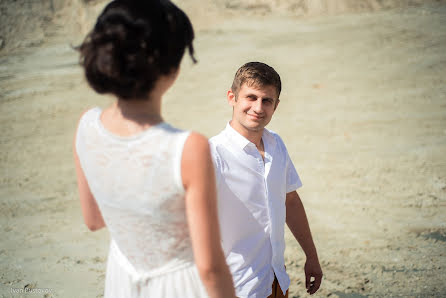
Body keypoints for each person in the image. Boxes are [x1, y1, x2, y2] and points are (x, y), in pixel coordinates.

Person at [73, 1, 235, 297]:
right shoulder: (187, 148)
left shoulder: (86, 124)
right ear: (171, 68)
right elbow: (210, 267)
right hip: (178, 286)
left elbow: (93, 220)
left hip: (122, 277)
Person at [209, 62, 323, 298]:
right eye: (251, 97)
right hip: (236, 287)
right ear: (232, 98)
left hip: (276, 282)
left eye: (267, 100)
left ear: (276, 105)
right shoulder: (213, 154)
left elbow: (290, 201)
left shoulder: (276, 145)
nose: (258, 108)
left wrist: (311, 256)